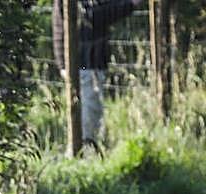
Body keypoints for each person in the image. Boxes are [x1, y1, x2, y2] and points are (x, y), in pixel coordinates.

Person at [52, 0, 141, 148]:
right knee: (89, 115)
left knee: (89, 113)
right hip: (84, 63)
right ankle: (85, 153)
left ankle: (85, 151)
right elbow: (90, 17)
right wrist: (130, 4)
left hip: (86, 61)